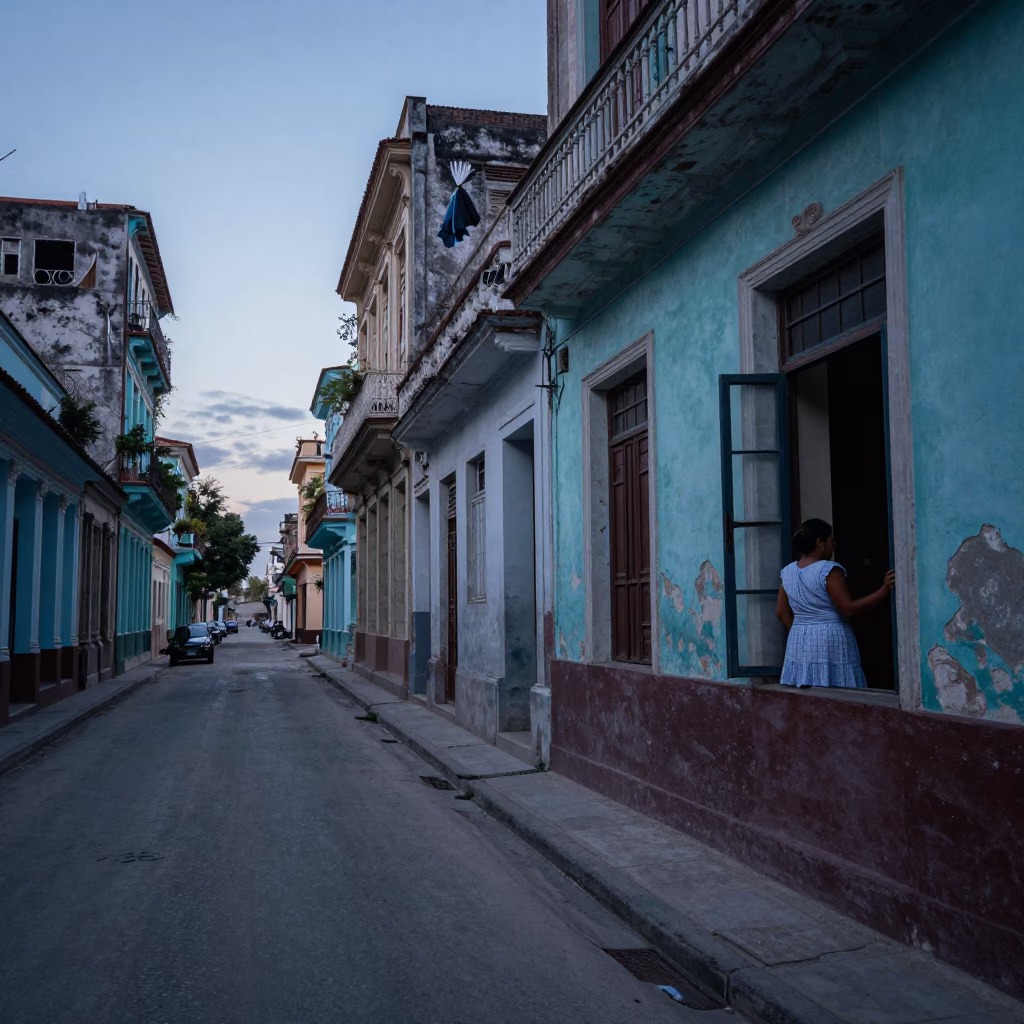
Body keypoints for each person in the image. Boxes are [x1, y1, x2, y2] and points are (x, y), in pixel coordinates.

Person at [775, 518, 895, 688]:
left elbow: (781, 612)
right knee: (839, 691)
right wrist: (882, 591)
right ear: (819, 543)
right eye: (831, 540)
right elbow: (848, 609)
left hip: (799, 640)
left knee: (806, 694)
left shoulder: (787, 572)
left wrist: (803, 628)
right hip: (830, 638)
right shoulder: (828, 569)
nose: (833, 545)